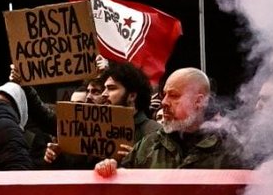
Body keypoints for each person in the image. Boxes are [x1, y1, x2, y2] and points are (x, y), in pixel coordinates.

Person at [95, 67, 246, 176]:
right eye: (164, 95)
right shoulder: (148, 146)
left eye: (174, 95)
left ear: (199, 101)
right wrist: (112, 169)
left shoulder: (230, 150)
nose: (164, 102)